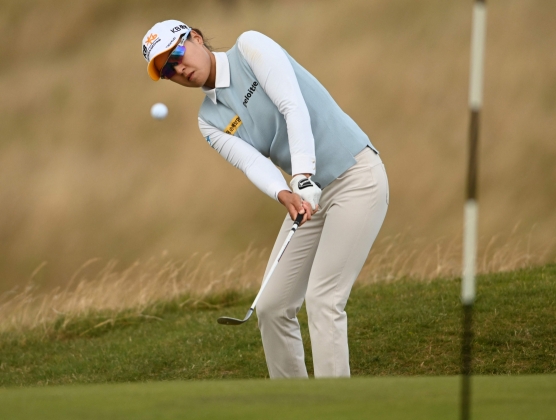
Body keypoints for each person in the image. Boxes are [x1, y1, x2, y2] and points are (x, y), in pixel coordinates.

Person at [141, 20, 388, 378]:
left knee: (324, 300)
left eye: (176, 54)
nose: (178, 69)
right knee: (271, 306)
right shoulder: (209, 119)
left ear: (195, 38)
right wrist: (284, 192)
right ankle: (292, 407)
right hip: (308, 197)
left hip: (356, 176)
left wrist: (300, 175)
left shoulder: (250, 48)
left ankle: (337, 407)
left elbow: (293, 106)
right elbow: (251, 162)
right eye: (167, 70)